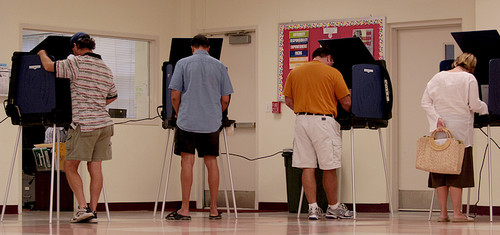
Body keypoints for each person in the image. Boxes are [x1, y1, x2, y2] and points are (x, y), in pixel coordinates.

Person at [38, 32, 117, 223]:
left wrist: (40, 52)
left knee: (70, 165)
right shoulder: (105, 68)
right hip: (104, 124)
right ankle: (94, 210)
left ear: (75, 47)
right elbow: (113, 95)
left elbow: (49, 66)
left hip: (84, 124)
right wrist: (96, 104)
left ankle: (82, 208)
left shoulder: (76, 63)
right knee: (95, 166)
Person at [166, 34, 233, 220]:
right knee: (211, 163)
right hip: (211, 123)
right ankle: (213, 208)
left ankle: (185, 208)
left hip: (187, 121)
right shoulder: (220, 66)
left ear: (192, 47)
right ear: (209, 48)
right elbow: (225, 98)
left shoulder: (182, 64)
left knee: (187, 162)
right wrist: (216, 114)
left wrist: (179, 113)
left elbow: (174, 95)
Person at [283, 47, 353, 220]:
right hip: (323, 121)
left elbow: (288, 100)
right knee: (329, 166)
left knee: (307, 166)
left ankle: (313, 208)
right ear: (329, 58)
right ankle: (333, 208)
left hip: (301, 121)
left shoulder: (295, 72)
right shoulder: (332, 72)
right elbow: (346, 101)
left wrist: (303, 112)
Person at [421, 52, 488, 223]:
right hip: (460, 130)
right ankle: (457, 213)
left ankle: (443, 213)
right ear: (472, 66)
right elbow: (474, 104)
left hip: (439, 131)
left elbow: (425, 102)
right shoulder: (469, 79)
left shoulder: (437, 77)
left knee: (440, 172)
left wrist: (436, 117)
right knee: (457, 172)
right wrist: (485, 107)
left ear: (456, 62)